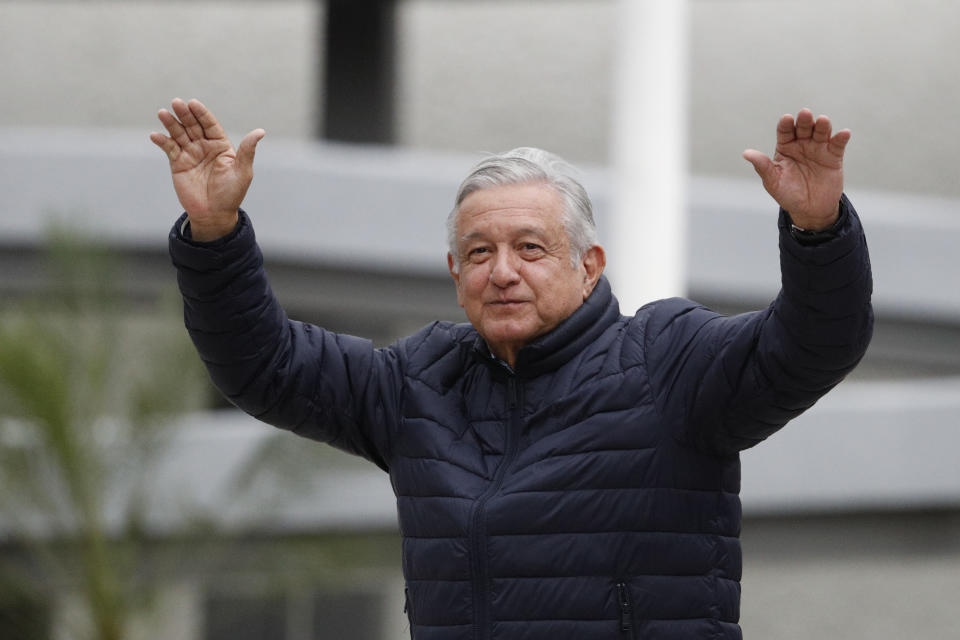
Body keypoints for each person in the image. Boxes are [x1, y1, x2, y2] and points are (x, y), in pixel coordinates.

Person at [153, 99, 872, 640]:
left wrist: (818, 230)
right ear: (453, 272)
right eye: (477, 253)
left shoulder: (668, 358)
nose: (501, 273)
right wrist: (215, 236)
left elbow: (815, 342)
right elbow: (266, 366)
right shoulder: (418, 383)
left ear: (588, 267)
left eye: (530, 249)